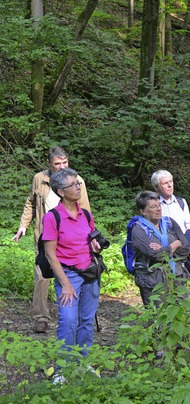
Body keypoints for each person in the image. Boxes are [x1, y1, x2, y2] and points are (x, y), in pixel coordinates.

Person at [11, 146, 91, 334]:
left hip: (71, 237)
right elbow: (31, 202)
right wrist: (24, 225)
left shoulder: (77, 181)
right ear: (50, 164)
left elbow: (85, 210)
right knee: (42, 274)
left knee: (75, 273)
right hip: (45, 235)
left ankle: (75, 312)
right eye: (57, 164)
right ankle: (41, 317)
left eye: (65, 163)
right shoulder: (40, 179)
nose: (62, 167)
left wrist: (89, 237)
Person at [41, 168, 102, 381]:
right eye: (73, 185)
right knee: (68, 321)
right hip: (68, 275)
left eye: (78, 184)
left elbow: (91, 241)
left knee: (86, 320)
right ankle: (62, 371)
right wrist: (65, 284)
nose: (78, 187)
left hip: (90, 274)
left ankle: (83, 364)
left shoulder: (86, 214)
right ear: (60, 191)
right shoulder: (52, 217)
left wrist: (95, 247)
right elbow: (50, 254)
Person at [131, 191, 190, 307]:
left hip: (176, 277)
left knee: (182, 314)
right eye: (153, 207)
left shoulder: (169, 223)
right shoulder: (138, 230)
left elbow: (186, 248)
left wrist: (164, 249)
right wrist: (174, 244)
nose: (158, 209)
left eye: (159, 205)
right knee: (158, 318)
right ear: (143, 211)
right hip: (153, 282)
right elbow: (156, 255)